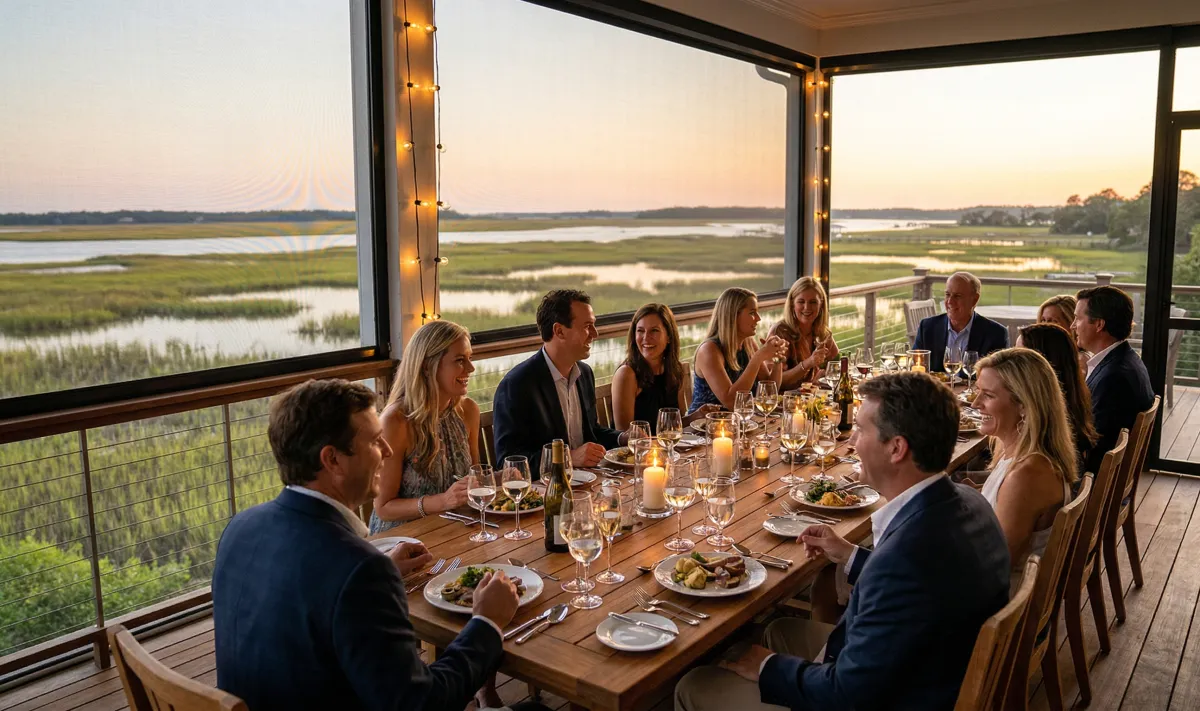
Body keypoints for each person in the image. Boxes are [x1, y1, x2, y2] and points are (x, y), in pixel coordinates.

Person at [675, 373, 1009, 711]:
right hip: (931, 667)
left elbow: (844, 695)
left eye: (862, 430)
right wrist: (851, 555)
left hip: (894, 697)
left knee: (694, 684)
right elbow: (922, 587)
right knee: (779, 629)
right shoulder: (969, 501)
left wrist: (766, 668)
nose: (851, 442)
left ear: (897, 448)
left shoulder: (902, 563)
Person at [213, 379, 542, 711]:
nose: (387, 451)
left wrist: (381, 571)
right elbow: (422, 704)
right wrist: (487, 621)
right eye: (374, 441)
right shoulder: (359, 569)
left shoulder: (239, 529)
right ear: (332, 460)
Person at [974, 348, 1078, 592]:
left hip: (1000, 613)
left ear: (1023, 405)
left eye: (987, 395)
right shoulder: (1023, 456)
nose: (975, 403)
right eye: (978, 392)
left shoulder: (1026, 475)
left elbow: (992, 570)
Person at [493, 289, 622, 472]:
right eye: (587, 326)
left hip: (589, 481)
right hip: (547, 491)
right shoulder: (517, 385)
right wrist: (568, 457)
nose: (595, 333)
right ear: (559, 331)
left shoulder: (584, 373)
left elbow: (591, 431)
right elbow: (508, 463)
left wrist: (622, 438)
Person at [370, 320, 479, 534]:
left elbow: (474, 481)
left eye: (470, 358)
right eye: (459, 360)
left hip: (454, 530)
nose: (471, 368)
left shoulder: (468, 411)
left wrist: (503, 478)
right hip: (403, 539)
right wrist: (442, 501)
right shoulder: (396, 421)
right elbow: (383, 508)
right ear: (428, 366)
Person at [1072, 285, 1154, 475]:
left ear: (1099, 325)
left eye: (1078, 318)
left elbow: (1092, 444)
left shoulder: (1114, 377)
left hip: (1093, 479)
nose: (1072, 325)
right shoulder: (1127, 358)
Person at [612, 303, 718, 431]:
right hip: (638, 449)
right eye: (640, 331)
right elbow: (624, 434)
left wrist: (696, 416)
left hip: (666, 447)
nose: (646, 338)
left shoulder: (674, 370)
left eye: (654, 331)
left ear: (669, 336)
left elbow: (675, 425)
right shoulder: (627, 374)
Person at [1017, 323, 1099, 473]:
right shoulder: (1072, 401)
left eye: (1019, 357)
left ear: (1042, 366)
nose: (1011, 364)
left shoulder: (1045, 426)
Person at [689, 287, 786, 413]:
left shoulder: (748, 344)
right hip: (702, 427)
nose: (758, 318)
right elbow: (731, 403)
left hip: (739, 424)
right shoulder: (709, 350)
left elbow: (768, 392)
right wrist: (758, 358)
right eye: (752, 313)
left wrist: (777, 359)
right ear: (733, 316)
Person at [912, 271, 1009, 372]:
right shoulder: (928, 327)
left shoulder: (996, 334)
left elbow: (998, 378)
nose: (950, 301)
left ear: (974, 300)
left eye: (957, 296)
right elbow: (915, 367)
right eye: (947, 294)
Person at [768, 277, 840, 389]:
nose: (807, 307)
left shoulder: (823, 332)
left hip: (813, 399)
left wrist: (823, 375)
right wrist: (808, 363)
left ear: (821, 304)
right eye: (801, 301)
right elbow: (772, 383)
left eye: (813, 302)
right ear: (792, 304)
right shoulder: (780, 332)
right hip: (785, 402)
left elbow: (838, 365)